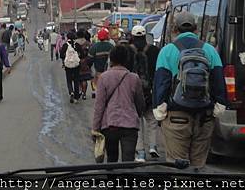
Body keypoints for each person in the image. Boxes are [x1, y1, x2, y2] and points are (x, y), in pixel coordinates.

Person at [153, 11, 227, 169]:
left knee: (178, 168)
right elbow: (219, 83)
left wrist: (160, 113)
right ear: (195, 29)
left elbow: (161, 84)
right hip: (204, 117)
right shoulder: (210, 50)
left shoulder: (167, 51)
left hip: (176, 117)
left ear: (175, 29)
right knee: (198, 166)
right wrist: (217, 109)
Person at [92, 45, 145, 163]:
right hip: (130, 126)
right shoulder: (134, 78)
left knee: (112, 161)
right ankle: (126, 181)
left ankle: (112, 181)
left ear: (111, 59)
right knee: (128, 162)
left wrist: (95, 128)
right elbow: (140, 104)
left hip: (110, 125)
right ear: (126, 59)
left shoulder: (103, 78)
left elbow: (99, 106)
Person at [130, 25, 161, 162]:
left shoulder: (128, 51)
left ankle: (140, 152)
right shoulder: (154, 50)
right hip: (151, 90)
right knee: (152, 119)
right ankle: (153, 146)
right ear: (145, 36)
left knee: (137, 122)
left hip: (133, 91)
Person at [89, 28, 114, 99]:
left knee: (98, 87)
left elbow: (90, 59)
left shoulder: (94, 47)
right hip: (109, 72)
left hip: (98, 72)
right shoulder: (111, 46)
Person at [60, 31, 81, 103]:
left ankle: (71, 92)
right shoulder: (77, 45)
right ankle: (76, 98)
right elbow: (82, 54)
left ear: (67, 37)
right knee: (76, 81)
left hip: (68, 65)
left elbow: (61, 55)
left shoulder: (65, 45)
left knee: (69, 80)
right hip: (76, 65)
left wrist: (66, 57)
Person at [77, 30, 94, 100]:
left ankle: (80, 90)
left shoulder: (75, 43)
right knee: (84, 79)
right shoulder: (88, 43)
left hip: (77, 62)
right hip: (86, 62)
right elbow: (91, 53)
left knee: (78, 78)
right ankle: (84, 94)